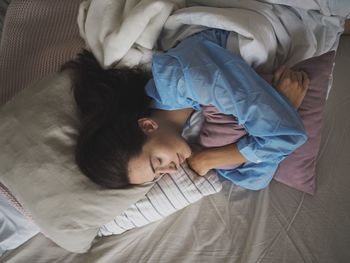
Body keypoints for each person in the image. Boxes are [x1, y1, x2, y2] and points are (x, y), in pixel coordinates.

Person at [60, 29, 309, 190]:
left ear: (147, 125)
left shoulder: (183, 78)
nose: (171, 170)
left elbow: (286, 136)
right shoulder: (186, 131)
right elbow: (254, 179)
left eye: (157, 162)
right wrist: (285, 108)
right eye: (159, 176)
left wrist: (210, 159)